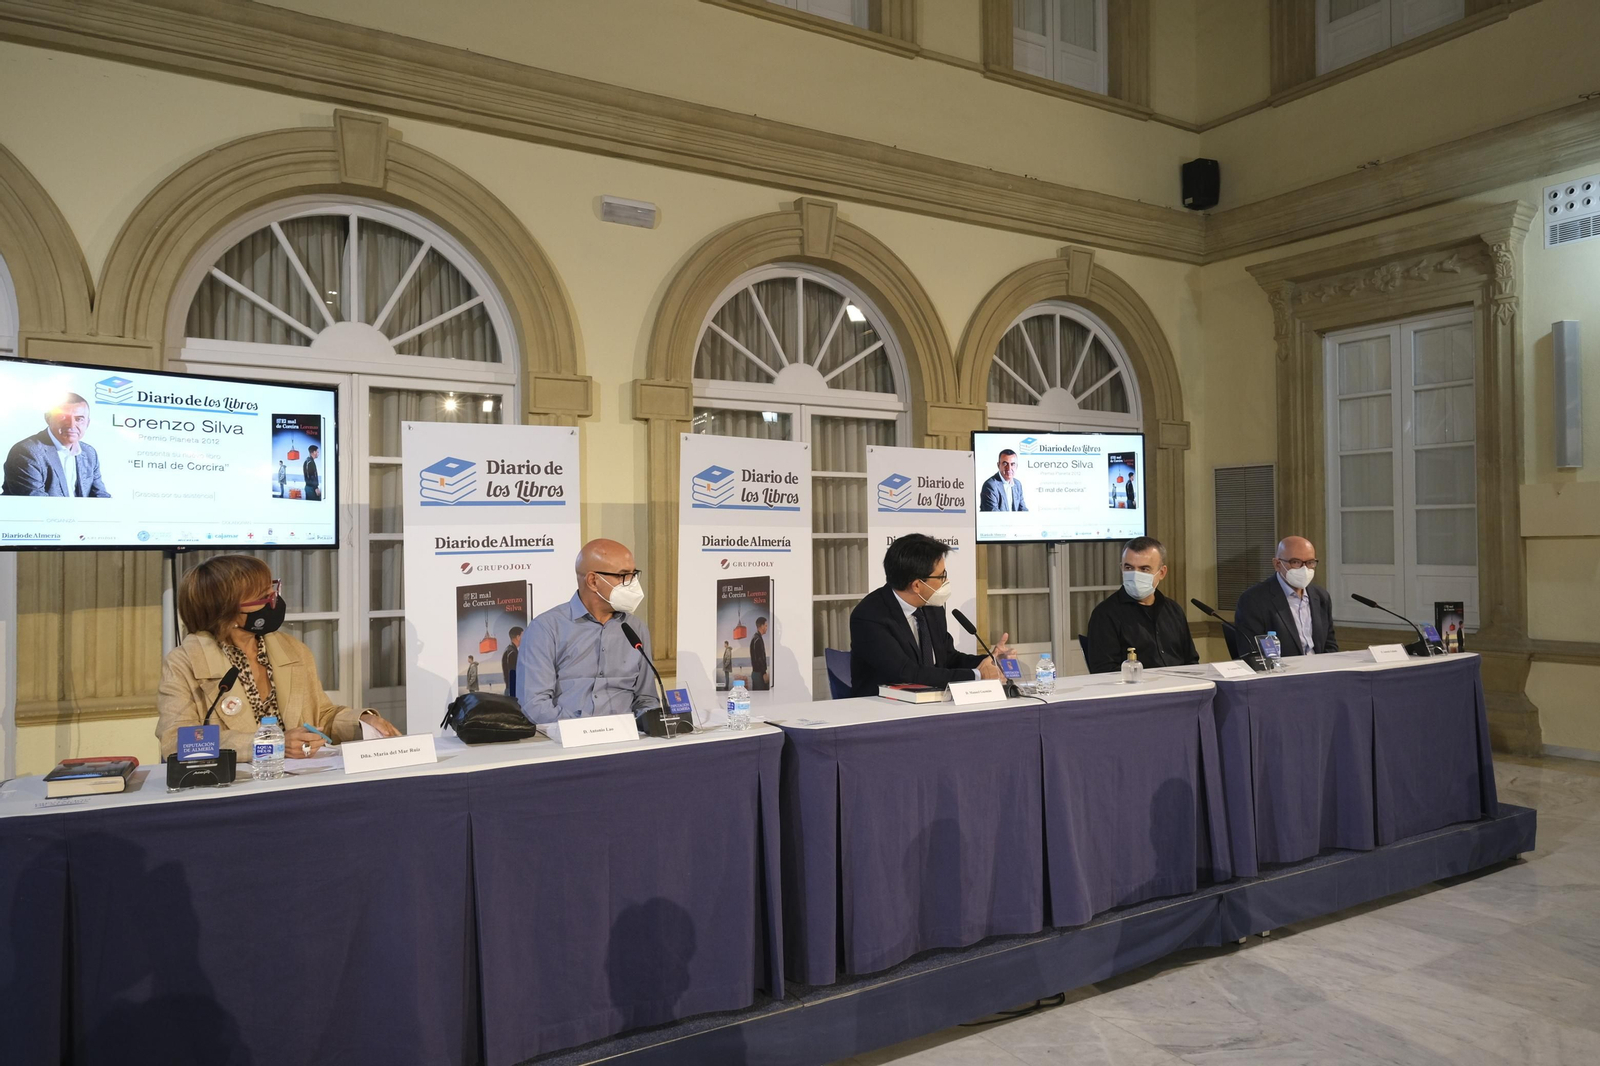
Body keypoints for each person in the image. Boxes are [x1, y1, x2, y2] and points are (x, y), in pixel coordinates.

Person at [156, 554, 400, 761]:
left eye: (272, 591)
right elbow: (176, 742)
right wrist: (271, 745)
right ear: (227, 611)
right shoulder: (185, 662)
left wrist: (361, 721)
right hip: (234, 788)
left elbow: (321, 716)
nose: (274, 601)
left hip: (301, 779)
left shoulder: (292, 649)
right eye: (263, 596)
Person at [518, 538, 661, 725]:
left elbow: (646, 698)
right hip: (565, 742)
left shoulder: (636, 628)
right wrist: (589, 729)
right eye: (624, 576)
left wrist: (651, 722)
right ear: (593, 581)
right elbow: (534, 705)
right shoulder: (545, 628)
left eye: (634, 575)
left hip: (628, 741)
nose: (632, 583)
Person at [849, 532, 1011, 696]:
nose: (945, 581)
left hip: (933, 701)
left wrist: (990, 661)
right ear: (917, 585)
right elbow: (907, 673)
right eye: (941, 576)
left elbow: (948, 658)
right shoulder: (869, 617)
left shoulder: (931, 606)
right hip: (883, 708)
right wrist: (977, 675)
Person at [1084, 536, 1198, 674]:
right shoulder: (1105, 614)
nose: (1135, 575)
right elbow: (1104, 671)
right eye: (1129, 567)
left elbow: (1191, 661)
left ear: (1161, 572)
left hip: (1181, 689)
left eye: (1144, 569)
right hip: (1136, 692)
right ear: (1121, 568)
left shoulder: (1173, 610)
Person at [1234, 536, 1338, 657]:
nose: (1304, 569)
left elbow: (1330, 645)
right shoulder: (1253, 599)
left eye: (1310, 563)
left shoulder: (1320, 596)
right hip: (1282, 672)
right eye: (1296, 562)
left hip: (1319, 671)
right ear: (1277, 564)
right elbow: (1252, 652)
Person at [2, 393, 111, 497]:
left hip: (79, 516)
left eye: (79, 419)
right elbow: (35, 505)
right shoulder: (26, 452)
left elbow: (100, 496)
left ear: (87, 423)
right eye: (63, 417)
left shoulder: (89, 453)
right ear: (48, 418)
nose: (72, 425)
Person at [749, 616, 770, 691]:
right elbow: (759, 658)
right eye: (766, 625)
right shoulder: (757, 639)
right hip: (759, 674)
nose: (767, 627)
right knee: (761, 698)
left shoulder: (756, 638)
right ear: (761, 626)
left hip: (757, 673)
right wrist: (764, 673)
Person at [502, 626, 522, 698]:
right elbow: (512, 673)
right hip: (512, 689)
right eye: (523, 635)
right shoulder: (512, 652)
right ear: (518, 637)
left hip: (510, 688)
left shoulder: (509, 650)